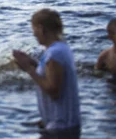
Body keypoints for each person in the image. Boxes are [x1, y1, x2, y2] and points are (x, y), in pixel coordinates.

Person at [13, 9, 81, 138]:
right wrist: (33, 63)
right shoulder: (60, 48)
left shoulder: (54, 54)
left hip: (61, 128)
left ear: (41, 29)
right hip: (62, 124)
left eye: (34, 29)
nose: (33, 34)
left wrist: (29, 70)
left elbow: (54, 91)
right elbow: (54, 76)